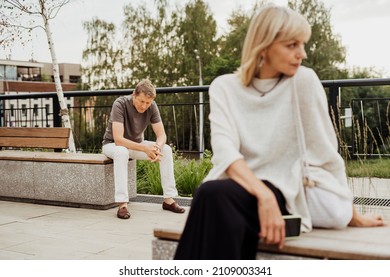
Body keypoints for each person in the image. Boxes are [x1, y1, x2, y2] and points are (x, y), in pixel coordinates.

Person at [174, 5, 384, 260]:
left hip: (287, 190)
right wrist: (262, 195)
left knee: (212, 196)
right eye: (292, 45)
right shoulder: (224, 88)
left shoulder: (303, 82)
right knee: (210, 193)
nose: (302, 54)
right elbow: (225, 152)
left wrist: (354, 216)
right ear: (264, 45)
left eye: (303, 44)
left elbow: (327, 154)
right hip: (244, 188)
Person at [102, 79, 185, 219]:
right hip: (112, 145)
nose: (144, 106)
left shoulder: (152, 106)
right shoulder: (120, 104)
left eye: (148, 103)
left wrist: (157, 148)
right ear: (134, 94)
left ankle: (168, 200)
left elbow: (161, 135)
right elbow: (118, 139)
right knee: (122, 151)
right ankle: (122, 204)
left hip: (136, 145)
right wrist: (145, 148)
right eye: (141, 101)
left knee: (166, 150)